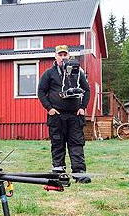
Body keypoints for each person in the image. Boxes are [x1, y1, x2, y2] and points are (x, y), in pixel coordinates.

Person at [38, 45, 91, 183]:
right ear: (55, 56)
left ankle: (79, 174)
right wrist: (49, 108)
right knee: (57, 143)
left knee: (76, 144)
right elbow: (41, 92)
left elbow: (87, 90)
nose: (63, 57)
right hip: (56, 115)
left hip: (74, 115)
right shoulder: (49, 73)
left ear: (69, 56)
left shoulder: (78, 72)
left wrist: (83, 107)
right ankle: (58, 173)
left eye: (65, 55)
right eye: (60, 55)